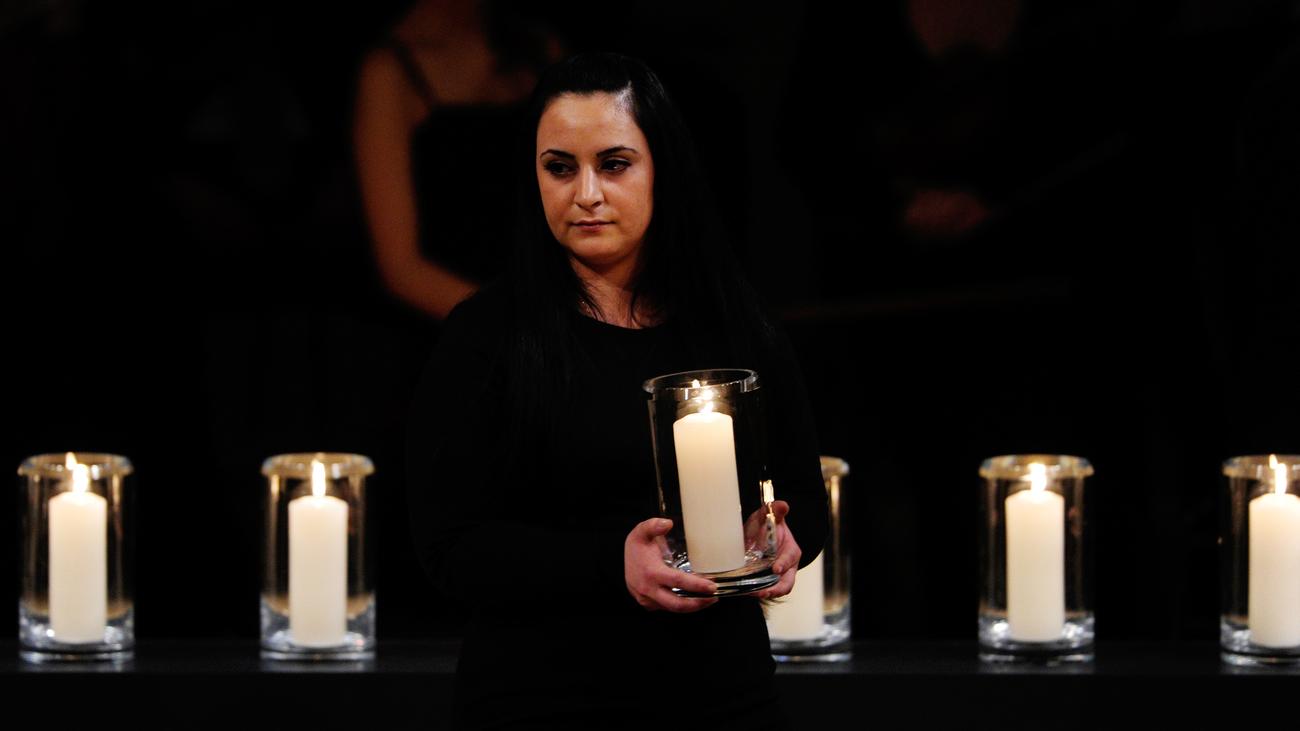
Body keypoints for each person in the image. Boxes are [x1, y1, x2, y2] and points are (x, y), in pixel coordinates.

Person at [406, 52, 828, 729]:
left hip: (719, 696)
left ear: (663, 168)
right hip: (540, 702)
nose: (587, 193)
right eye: (560, 167)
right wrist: (611, 563)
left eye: (614, 164)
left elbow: (805, 496)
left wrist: (783, 537)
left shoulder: (732, 323)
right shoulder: (487, 334)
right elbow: (448, 546)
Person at [353, 0, 562, 320]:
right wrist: (525, 327)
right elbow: (402, 269)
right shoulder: (389, 71)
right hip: (460, 326)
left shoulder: (537, 47)